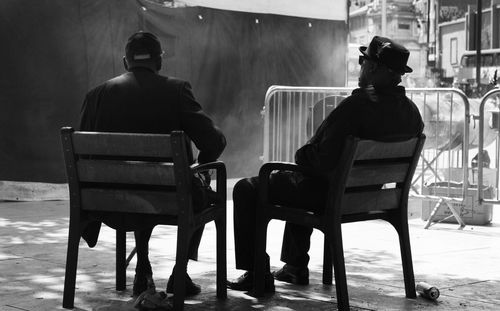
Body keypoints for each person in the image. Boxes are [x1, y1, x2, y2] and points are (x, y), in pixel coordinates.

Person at [227, 36, 424, 291]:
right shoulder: (412, 113)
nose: (360, 66)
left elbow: (320, 160)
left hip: (333, 196)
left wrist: (302, 153)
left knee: (248, 188)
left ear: (374, 67)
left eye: (363, 61)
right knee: (299, 182)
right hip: (369, 197)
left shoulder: (355, 106)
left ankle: (258, 274)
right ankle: (294, 267)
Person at [79, 31, 226, 297]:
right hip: (168, 200)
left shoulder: (95, 96)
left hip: (106, 202)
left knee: (139, 185)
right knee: (198, 186)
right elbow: (214, 142)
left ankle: (143, 268)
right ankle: (179, 273)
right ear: (159, 61)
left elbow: (83, 158)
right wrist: (202, 170)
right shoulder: (177, 91)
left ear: (126, 62)